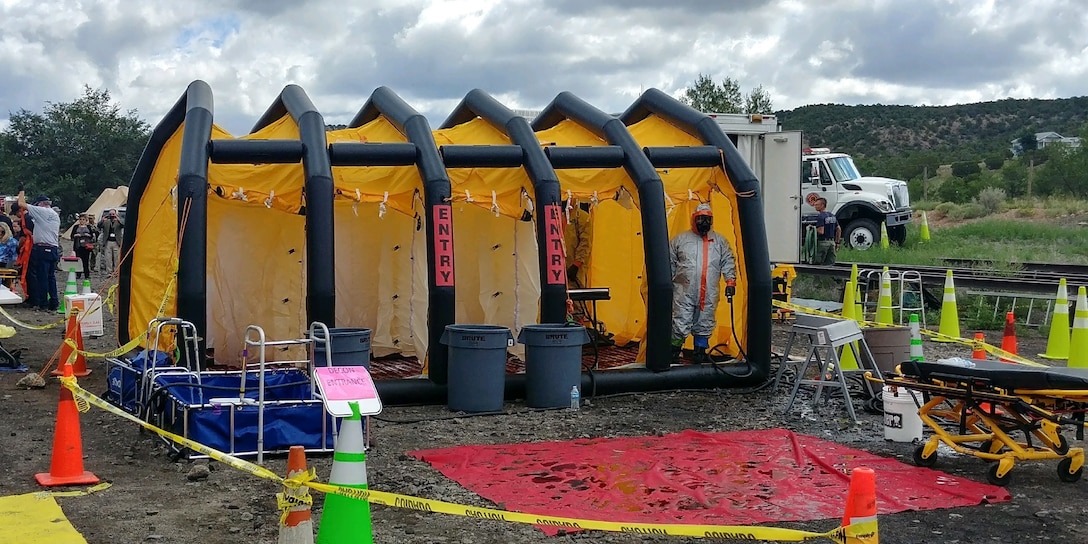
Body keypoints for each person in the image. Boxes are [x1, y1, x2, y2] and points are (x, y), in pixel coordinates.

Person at [669, 202, 736, 364]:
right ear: (693, 219)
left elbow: (728, 261)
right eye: (700, 218)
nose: (704, 222)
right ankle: (673, 352)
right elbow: (669, 263)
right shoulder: (681, 240)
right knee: (679, 321)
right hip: (683, 291)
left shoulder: (719, 241)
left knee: (705, 321)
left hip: (709, 292)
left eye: (707, 219)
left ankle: (700, 353)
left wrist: (730, 281)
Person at [17, 192, 61, 311]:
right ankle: (54, 302)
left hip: (42, 248)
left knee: (42, 277)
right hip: (53, 248)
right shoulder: (54, 214)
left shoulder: (42, 211)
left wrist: (21, 191)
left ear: (40, 204)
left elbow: (21, 203)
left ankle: (43, 303)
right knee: (51, 277)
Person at [563, 201, 592, 288]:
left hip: (574, 270)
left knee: (576, 297)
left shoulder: (582, 217)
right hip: (557, 269)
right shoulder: (554, 216)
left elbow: (586, 242)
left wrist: (576, 264)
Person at [813, 197, 841, 265]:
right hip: (832, 243)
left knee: (818, 263)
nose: (815, 206)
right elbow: (839, 229)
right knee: (830, 263)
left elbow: (821, 231)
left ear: (822, 205)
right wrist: (837, 243)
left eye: (817, 205)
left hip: (823, 243)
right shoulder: (832, 216)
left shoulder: (821, 216)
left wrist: (812, 229)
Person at [71, 214, 97, 280]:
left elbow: (92, 235)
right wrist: (76, 235)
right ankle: (78, 274)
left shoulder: (88, 227)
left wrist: (87, 235)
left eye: (83, 219)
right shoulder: (76, 227)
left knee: (86, 261)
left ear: (86, 220)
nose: (82, 221)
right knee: (78, 260)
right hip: (78, 245)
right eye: (80, 219)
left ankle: (87, 275)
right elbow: (71, 236)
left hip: (86, 246)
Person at [98, 208, 123, 276]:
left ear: (116, 214)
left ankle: (116, 272)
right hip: (108, 241)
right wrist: (102, 221)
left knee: (116, 258)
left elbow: (123, 225)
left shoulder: (118, 221)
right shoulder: (106, 221)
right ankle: (109, 272)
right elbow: (99, 226)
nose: (112, 216)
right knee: (108, 258)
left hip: (116, 242)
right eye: (110, 214)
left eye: (113, 214)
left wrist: (118, 219)